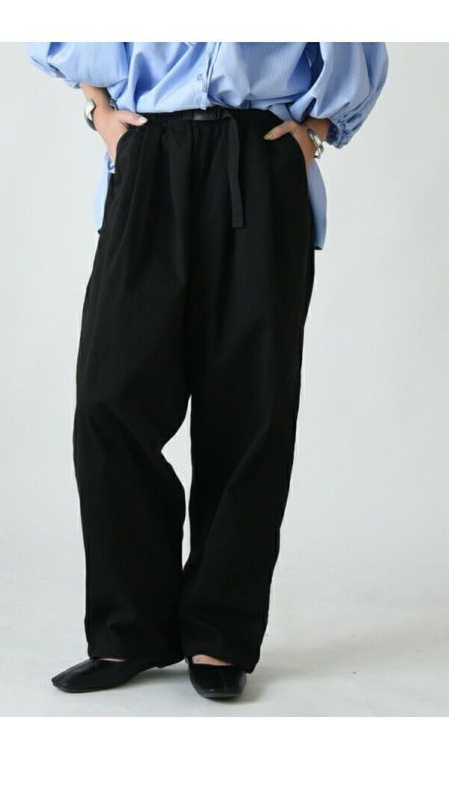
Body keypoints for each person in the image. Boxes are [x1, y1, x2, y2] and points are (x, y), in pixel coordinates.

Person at [26, 42, 389, 700]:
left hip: (260, 155)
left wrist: (314, 133)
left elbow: (358, 36)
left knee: (250, 407)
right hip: (149, 150)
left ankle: (219, 635)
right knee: (109, 399)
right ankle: (129, 630)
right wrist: (99, 111)